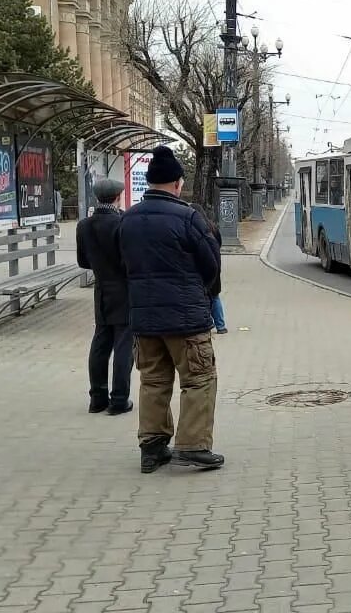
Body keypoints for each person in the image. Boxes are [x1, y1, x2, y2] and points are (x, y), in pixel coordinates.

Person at [118, 146, 224, 474]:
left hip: (145, 319)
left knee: (152, 380)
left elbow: (121, 266)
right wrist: (203, 293)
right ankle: (192, 446)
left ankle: (152, 448)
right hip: (186, 319)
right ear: (178, 183)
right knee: (199, 378)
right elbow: (211, 265)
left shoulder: (128, 219)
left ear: (149, 183)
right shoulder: (188, 217)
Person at [76, 179, 133, 416]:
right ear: (118, 196)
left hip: (101, 292)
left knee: (100, 344)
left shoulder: (84, 226)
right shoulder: (122, 224)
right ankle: (119, 399)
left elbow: (83, 262)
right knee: (123, 346)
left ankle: (97, 398)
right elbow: (129, 260)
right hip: (125, 291)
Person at [190, 204, 227, 334]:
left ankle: (206, 323)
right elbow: (220, 243)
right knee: (215, 297)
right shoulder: (213, 227)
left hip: (201, 267)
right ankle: (221, 326)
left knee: (203, 297)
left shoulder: (194, 228)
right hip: (215, 265)